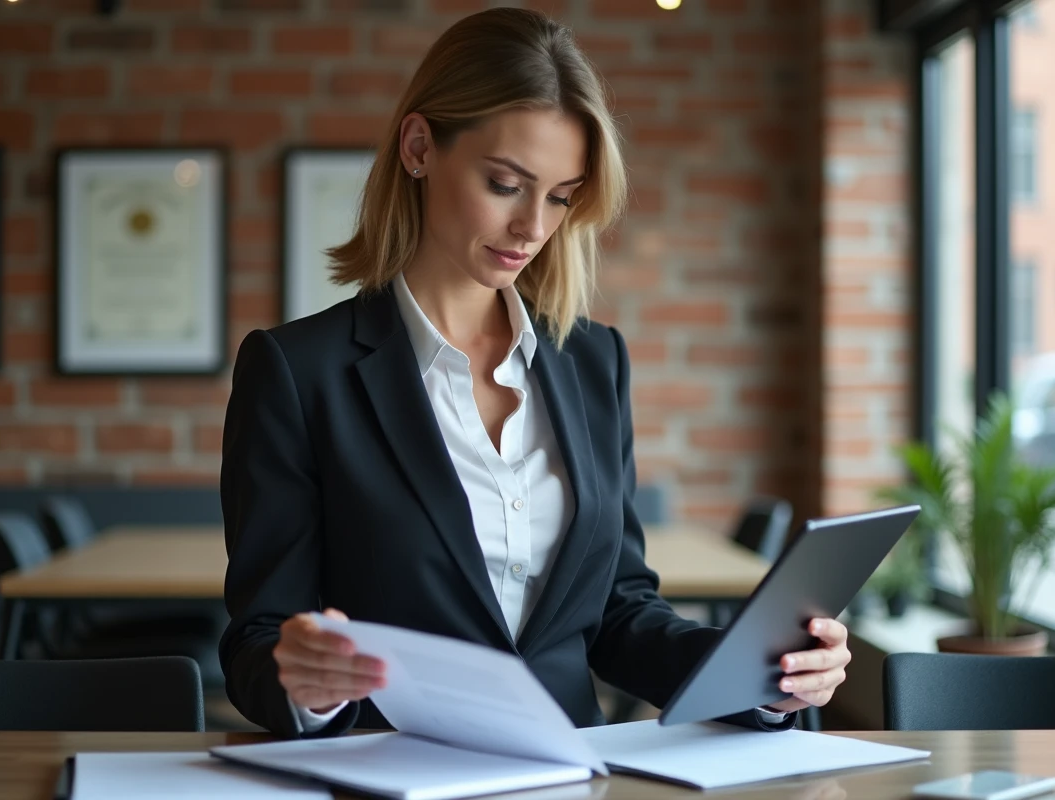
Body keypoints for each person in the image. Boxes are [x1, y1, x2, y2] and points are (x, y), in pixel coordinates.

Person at [219, 6, 850, 739]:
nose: (534, 228)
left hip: (570, 776)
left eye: (559, 196)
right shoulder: (299, 373)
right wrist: (310, 684)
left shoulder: (592, 362)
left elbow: (617, 613)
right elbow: (257, 640)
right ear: (420, 147)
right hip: (387, 776)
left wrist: (765, 676)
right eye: (505, 183)